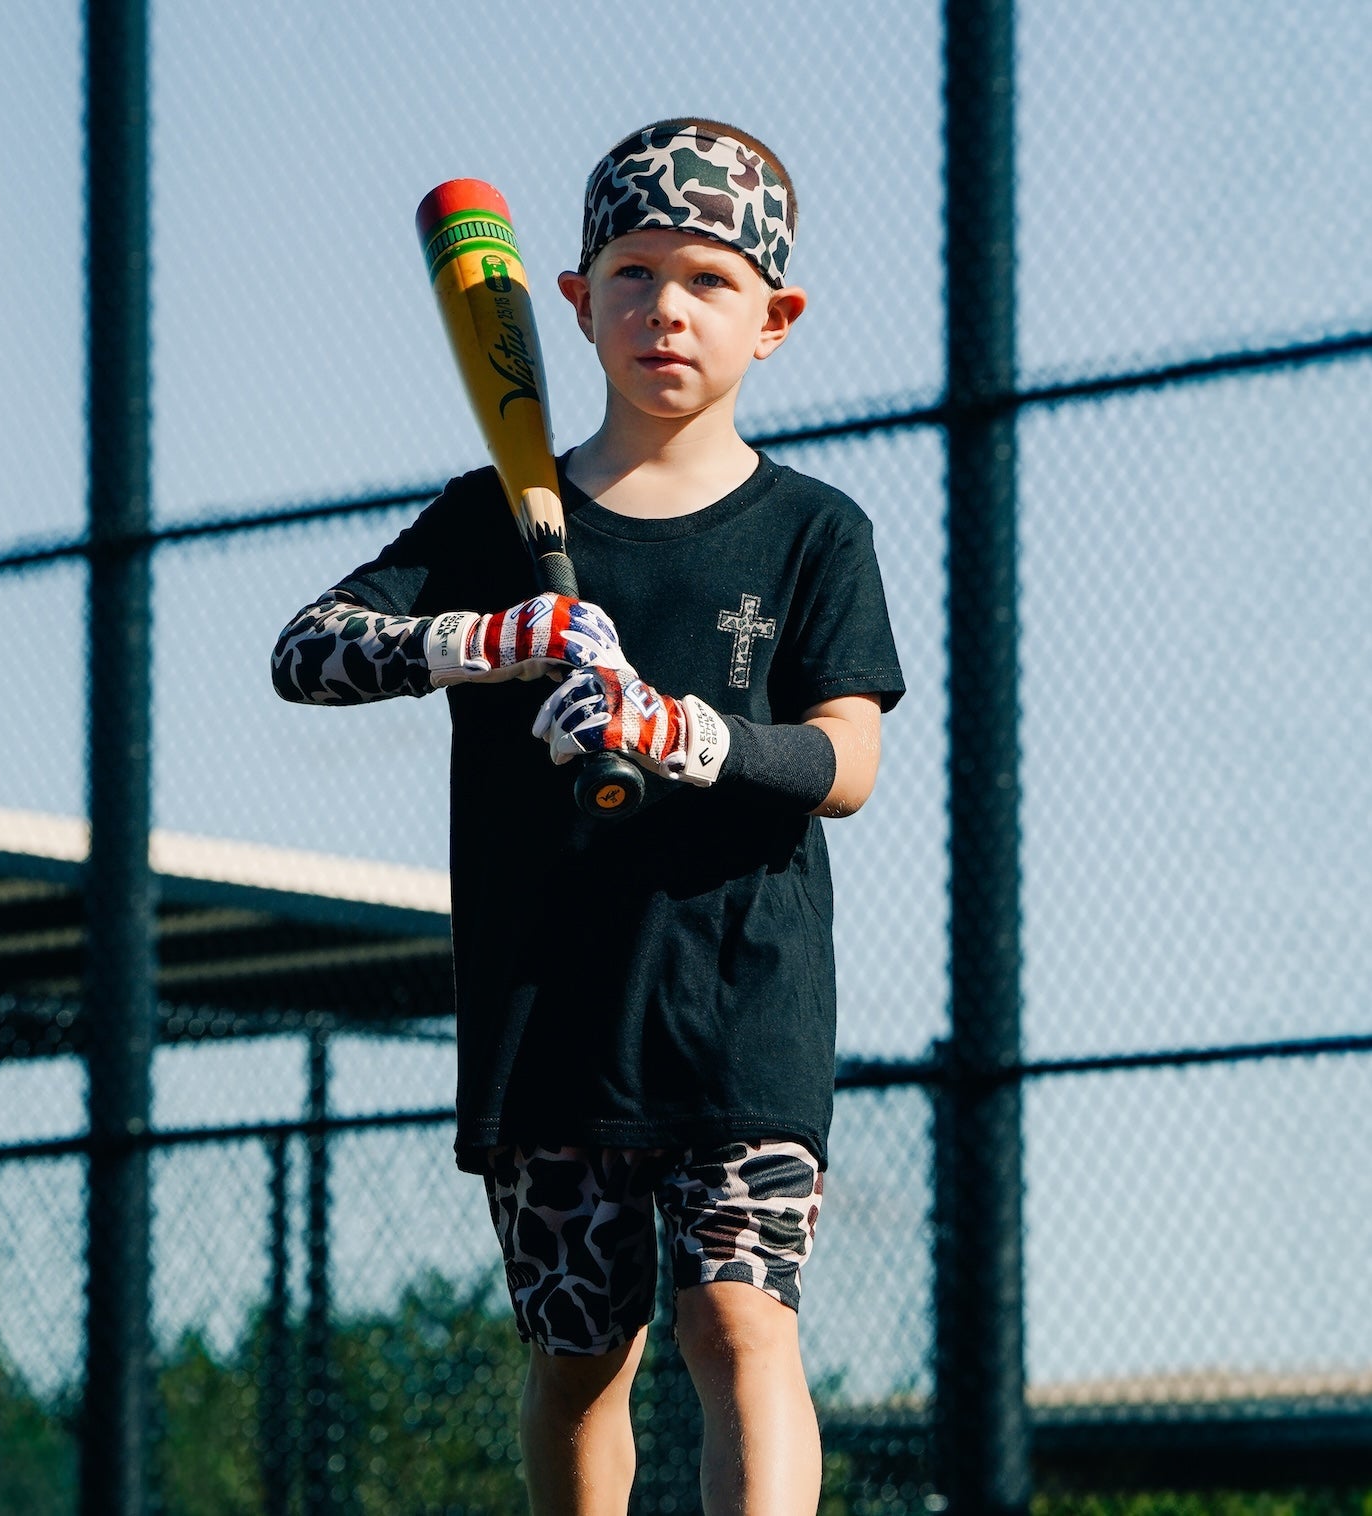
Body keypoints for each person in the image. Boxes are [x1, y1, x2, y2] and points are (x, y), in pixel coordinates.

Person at [272, 118, 905, 1516]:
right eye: (632, 274)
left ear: (776, 319)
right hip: (552, 1002)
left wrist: (687, 734)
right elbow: (304, 654)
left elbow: (848, 763)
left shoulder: (816, 531)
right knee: (580, 1352)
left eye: (710, 280)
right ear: (573, 300)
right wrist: (486, 640)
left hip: (741, 993)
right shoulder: (492, 522)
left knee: (738, 1318)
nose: (667, 307)